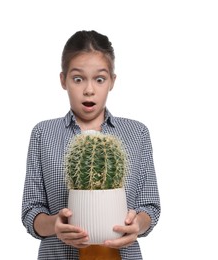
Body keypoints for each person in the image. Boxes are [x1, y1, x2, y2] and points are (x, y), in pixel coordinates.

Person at [22, 30, 161, 260]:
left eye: (99, 79)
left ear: (112, 81)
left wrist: (138, 224)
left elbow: (150, 207)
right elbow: (31, 211)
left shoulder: (137, 133)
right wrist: (54, 225)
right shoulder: (43, 134)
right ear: (63, 80)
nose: (89, 89)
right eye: (78, 78)